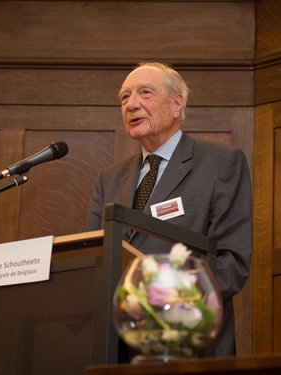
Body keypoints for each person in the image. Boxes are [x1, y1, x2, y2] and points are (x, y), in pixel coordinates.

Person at [86, 61, 252, 357]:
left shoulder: (220, 164)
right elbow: (92, 261)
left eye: (144, 93)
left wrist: (164, 304)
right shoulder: (108, 179)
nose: (131, 104)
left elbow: (232, 262)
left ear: (177, 104)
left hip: (189, 341)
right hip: (117, 348)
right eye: (124, 97)